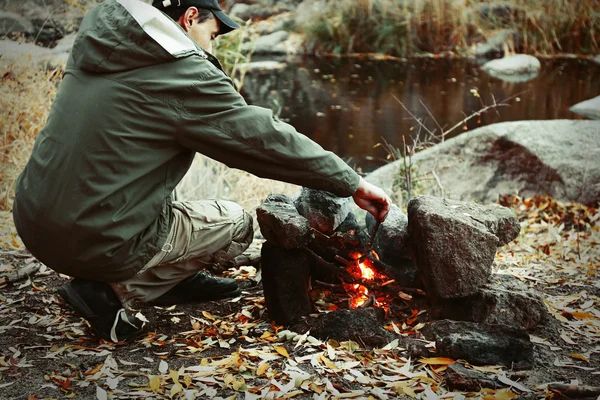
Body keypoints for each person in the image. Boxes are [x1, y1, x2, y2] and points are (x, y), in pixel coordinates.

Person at [12, 0, 391, 342]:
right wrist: (351, 181)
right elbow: (261, 138)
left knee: (149, 162)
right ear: (189, 16)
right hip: (93, 241)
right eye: (212, 34)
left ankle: (172, 276)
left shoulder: (100, 44)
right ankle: (124, 290)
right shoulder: (181, 70)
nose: (212, 46)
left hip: (33, 223)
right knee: (238, 224)